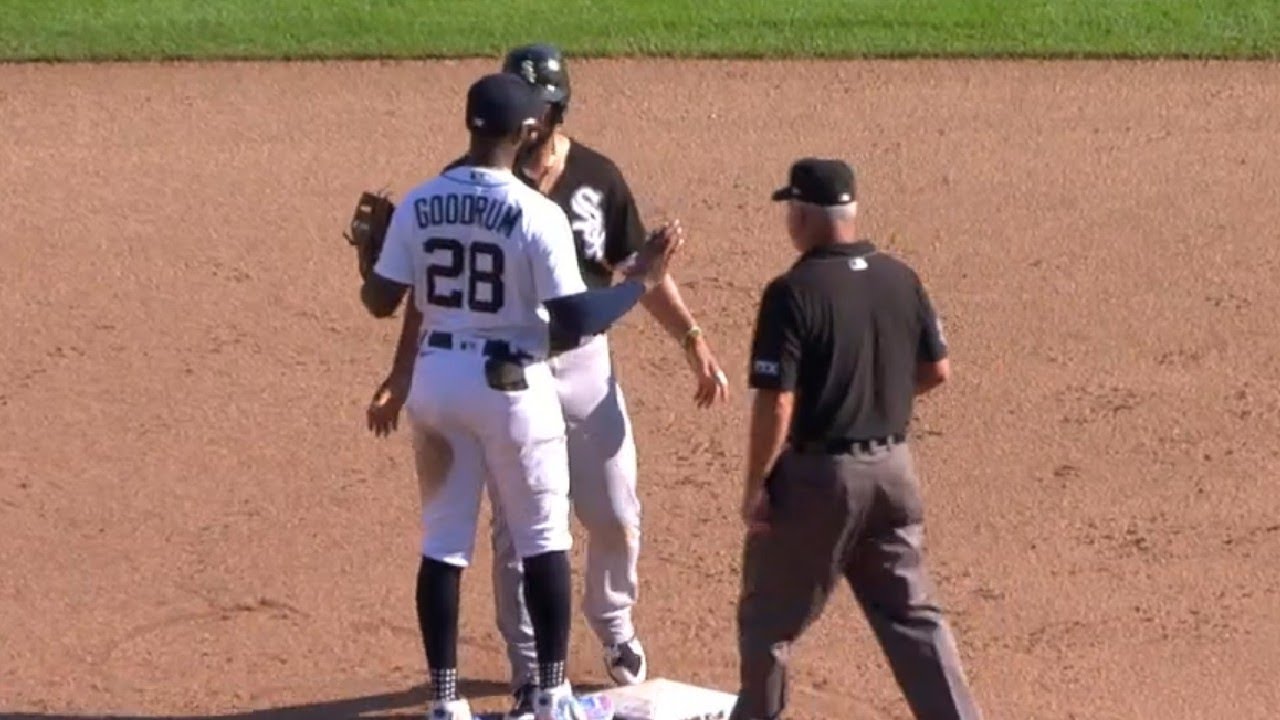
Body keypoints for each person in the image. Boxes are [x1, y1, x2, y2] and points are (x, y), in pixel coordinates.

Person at [368, 43, 729, 716]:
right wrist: (395, 371)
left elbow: (390, 290)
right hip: (516, 376)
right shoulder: (503, 200)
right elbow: (441, 296)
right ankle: (536, 674)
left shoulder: (590, 178)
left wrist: (691, 337)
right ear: (520, 122)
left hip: (557, 372)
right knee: (525, 537)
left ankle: (609, 626)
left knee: (611, 513)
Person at [731, 158, 982, 720]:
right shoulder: (901, 276)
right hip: (895, 473)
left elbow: (777, 400)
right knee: (916, 620)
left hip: (821, 481)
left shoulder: (792, 292)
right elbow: (937, 370)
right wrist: (875, 401)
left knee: (768, 625)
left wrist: (755, 486)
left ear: (803, 214)